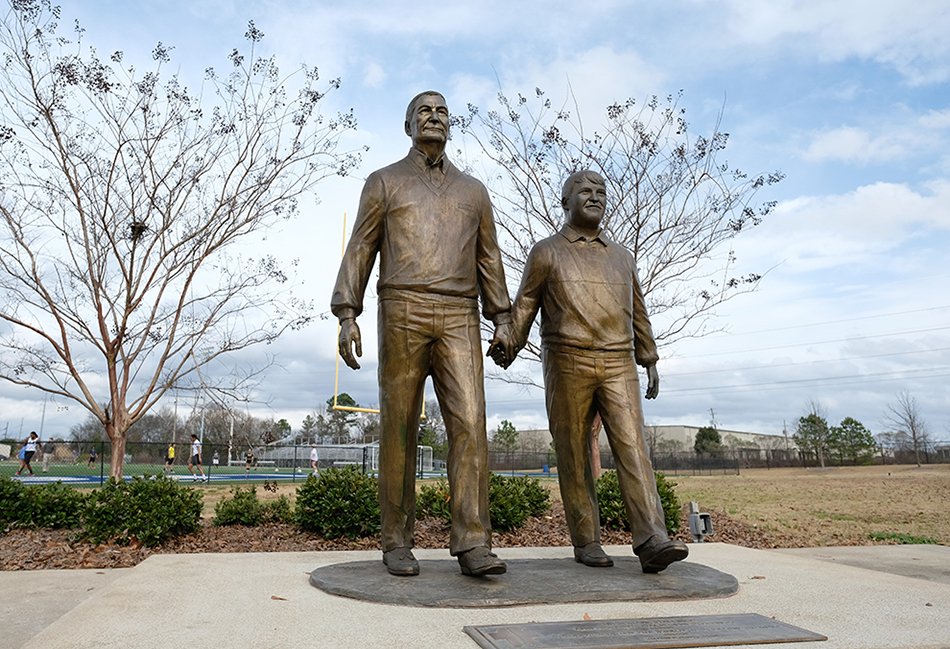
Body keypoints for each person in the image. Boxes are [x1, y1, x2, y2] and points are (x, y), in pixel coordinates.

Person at [332, 90, 512, 578]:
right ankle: (396, 541)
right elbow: (361, 248)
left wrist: (502, 317)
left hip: (459, 312)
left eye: (442, 112)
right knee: (399, 425)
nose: (434, 117)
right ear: (407, 124)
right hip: (402, 307)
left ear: (450, 125)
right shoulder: (384, 181)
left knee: (471, 422)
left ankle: (473, 542)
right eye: (423, 111)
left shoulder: (474, 191)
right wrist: (348, 312)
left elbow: (489, 258)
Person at [490, 170, 689, 574]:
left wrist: (648, 358)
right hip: (567, 360)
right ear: (566, 202)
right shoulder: (545, 252)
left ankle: (652, 538)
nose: (595, 197)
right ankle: (586, 540)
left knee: (634, 447)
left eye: (601, 192)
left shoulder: (621, 257)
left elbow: (638, 309)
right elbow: (525, 306)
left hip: (619, 362)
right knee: (574, 451)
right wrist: (506, 342)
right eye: (585, 191)